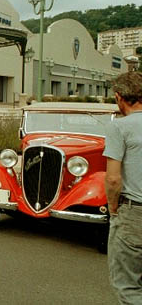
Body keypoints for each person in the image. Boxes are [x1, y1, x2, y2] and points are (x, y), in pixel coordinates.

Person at [103, 71, 142, 304]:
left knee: (128, 286)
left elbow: (113, 179)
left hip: (134, 211)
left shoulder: (119, 127)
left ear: (119, 97)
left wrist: (113, 207)